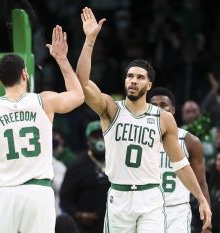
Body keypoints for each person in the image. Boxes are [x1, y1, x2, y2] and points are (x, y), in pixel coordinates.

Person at [76, 7, 211, 232]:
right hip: (119, 196)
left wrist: (201, 198)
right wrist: (90, 40)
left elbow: (180, 163)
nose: (133, 81)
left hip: (150, 196)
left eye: (139, 77)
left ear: (148, 85)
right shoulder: (111, 108)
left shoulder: (163, 118)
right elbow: (82, 82)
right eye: (130, 76)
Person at [0, 25, 84, 233]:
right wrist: (61, 58)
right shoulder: (45, 101)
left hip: (2, 195)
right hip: (38, 192)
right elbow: (78, 96)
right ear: (25, 74)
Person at [148, 87, 211, 233]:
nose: (159, 109)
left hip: (177, 212)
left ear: (173, 110)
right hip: (147, 210)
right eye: (154, 106)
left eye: (163, 105)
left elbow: (201, 183)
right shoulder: (141, 139)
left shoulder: (189, 141)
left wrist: (207, 224)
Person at [60, 120, 110, 233]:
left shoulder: (118, 161)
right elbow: (66, 198)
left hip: (116, 225)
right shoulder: (77, 165)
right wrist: (79, 215)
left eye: (103, 135)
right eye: (95, 136)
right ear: (88, 140)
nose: (100, 140)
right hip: (88, 228)